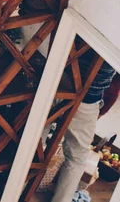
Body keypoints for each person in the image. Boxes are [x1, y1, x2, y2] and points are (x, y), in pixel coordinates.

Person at [47, 51, 118, 202]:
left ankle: (17, 186)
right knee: (77, 158)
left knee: (34, 136)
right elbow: (114, 89)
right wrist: (98, 112)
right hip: (87, 99)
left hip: (56, 83)